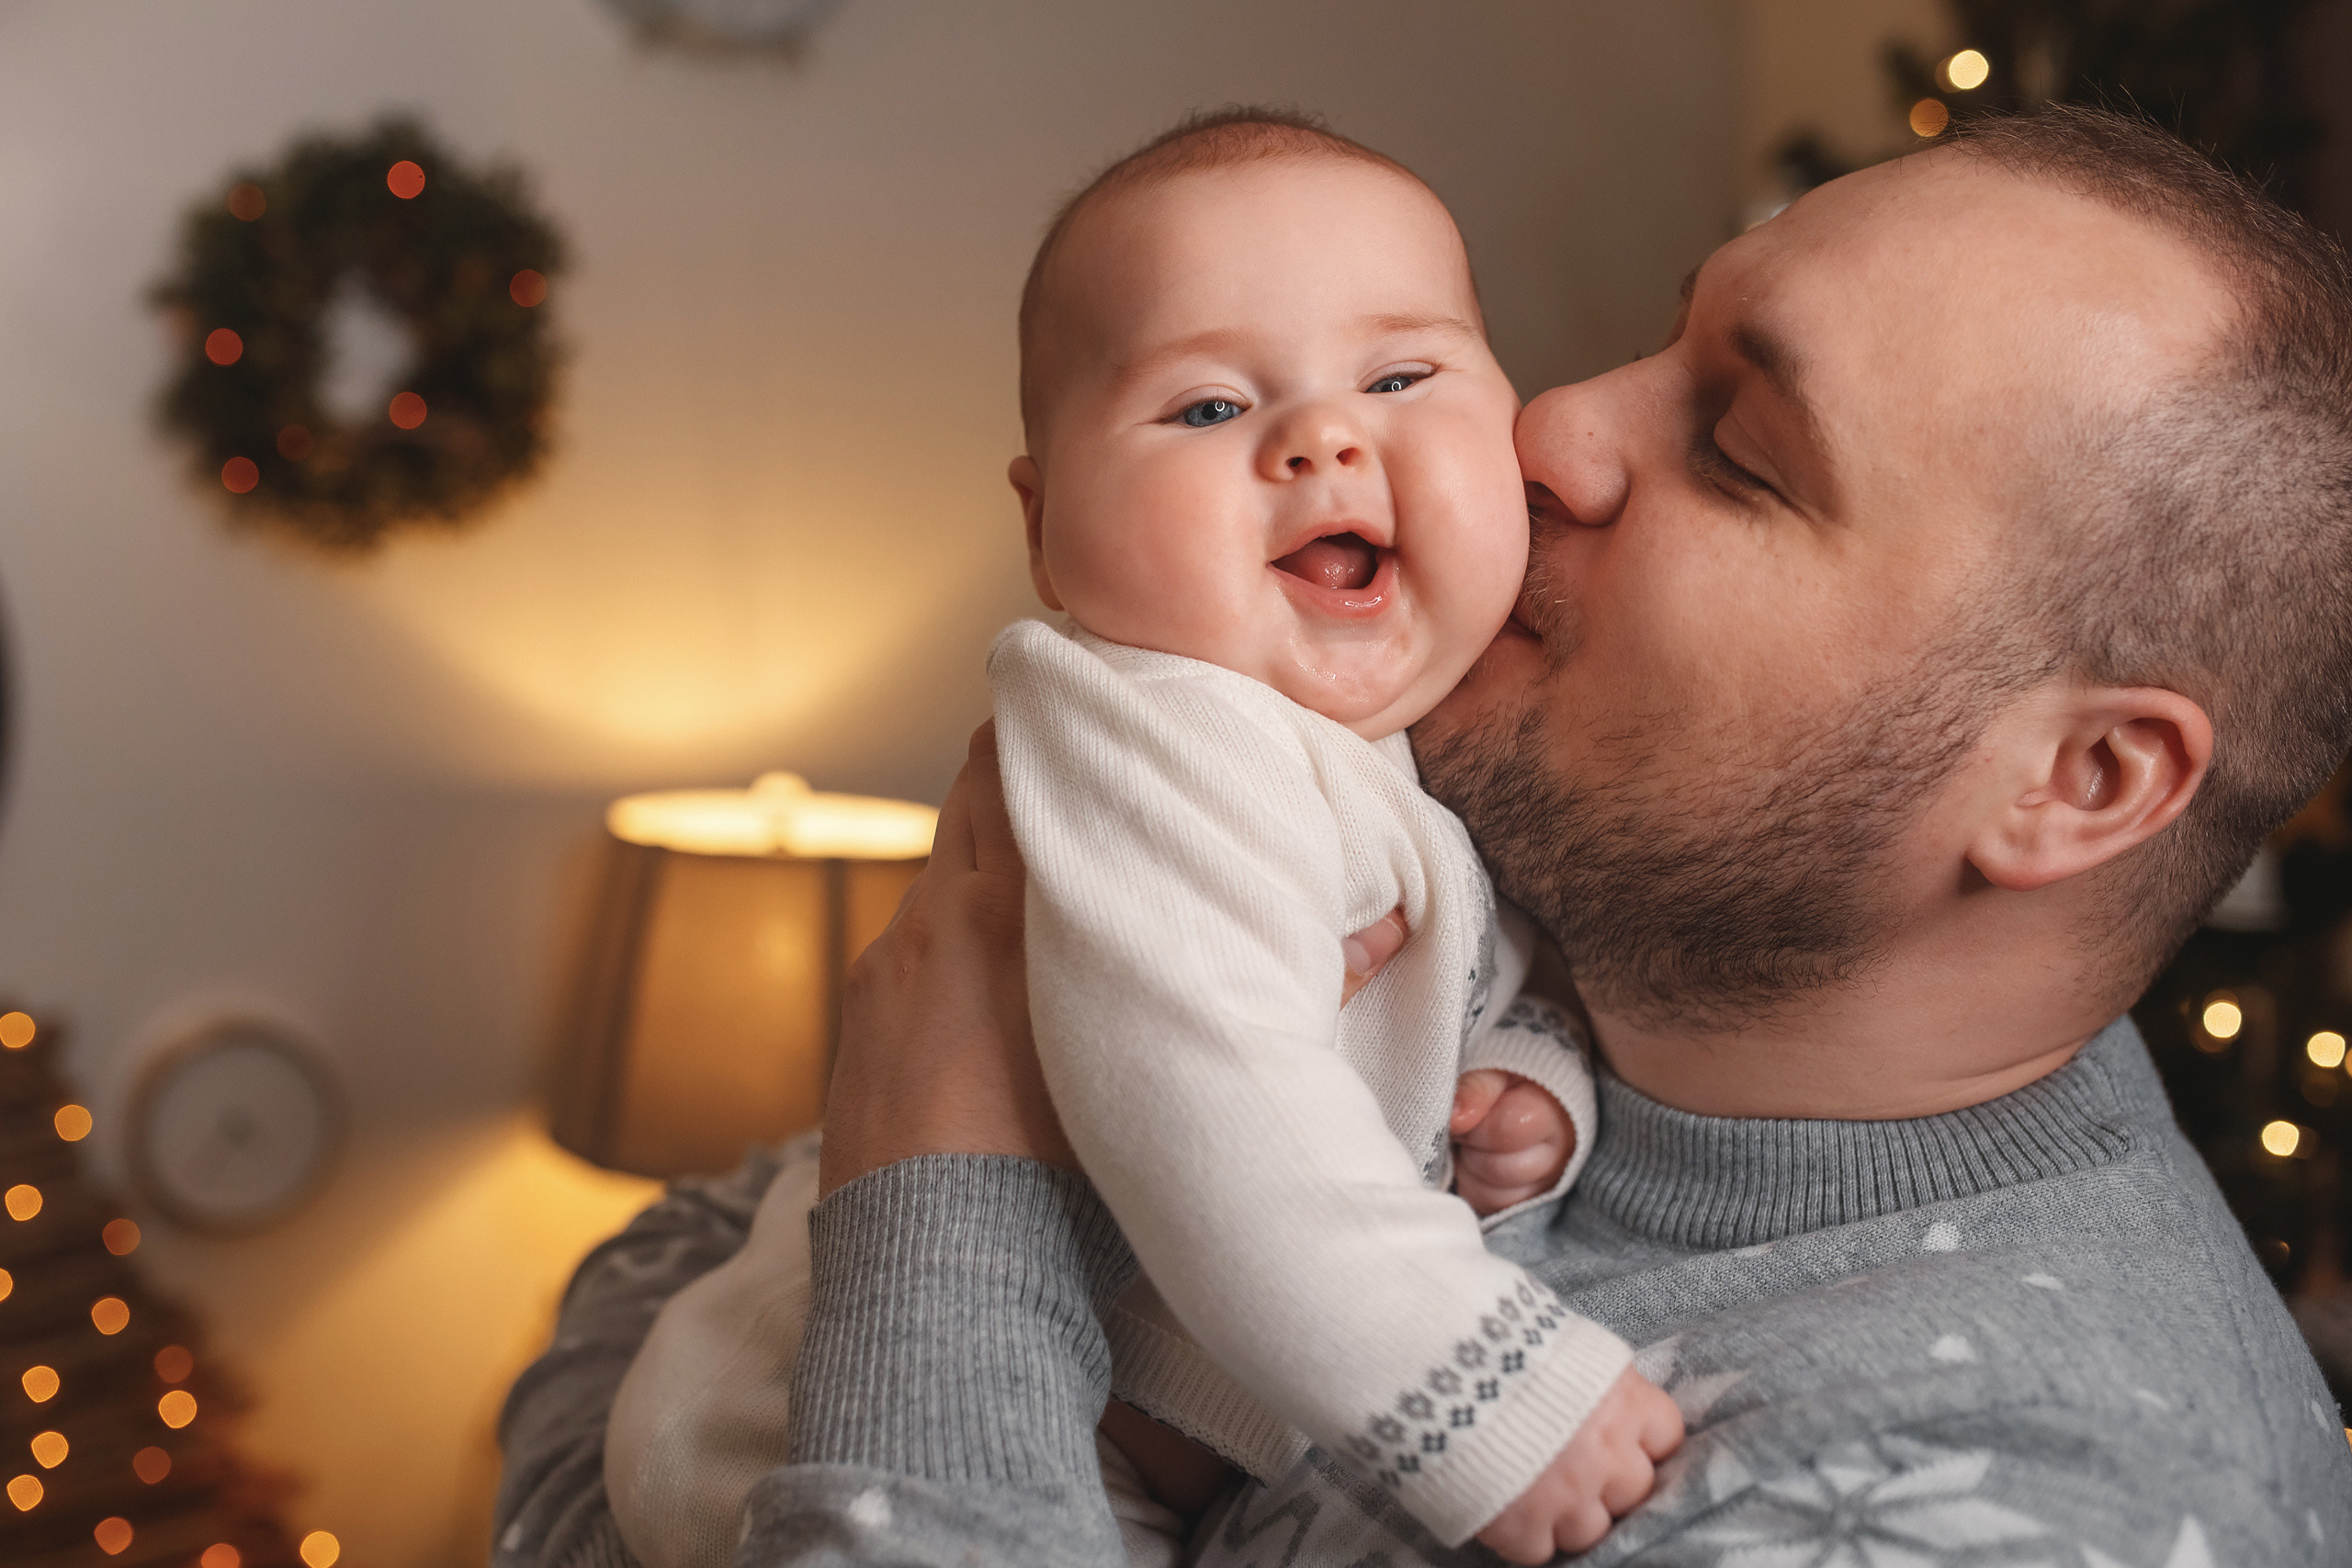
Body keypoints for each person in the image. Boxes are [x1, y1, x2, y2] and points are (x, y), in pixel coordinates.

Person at [496, 105, 2352, 1566]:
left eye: (1741, 449)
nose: (1544, 430)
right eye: (1658, 342)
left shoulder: (2023, 1499)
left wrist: (947, 1199)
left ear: (2071, 782)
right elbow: (647, 1290)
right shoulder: (1513, 916)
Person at [603, 112, 1677, 1568]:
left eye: (1403, 375)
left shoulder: (1408, 742)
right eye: (1207, 409)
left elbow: (1459, 965)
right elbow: (1206, 1089)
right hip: (810, 1413)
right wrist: (1483, 1389)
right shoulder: (1163, 732)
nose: (1323, 435)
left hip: (1108, 1406)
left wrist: (1520, 1077)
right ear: (1049, 537)